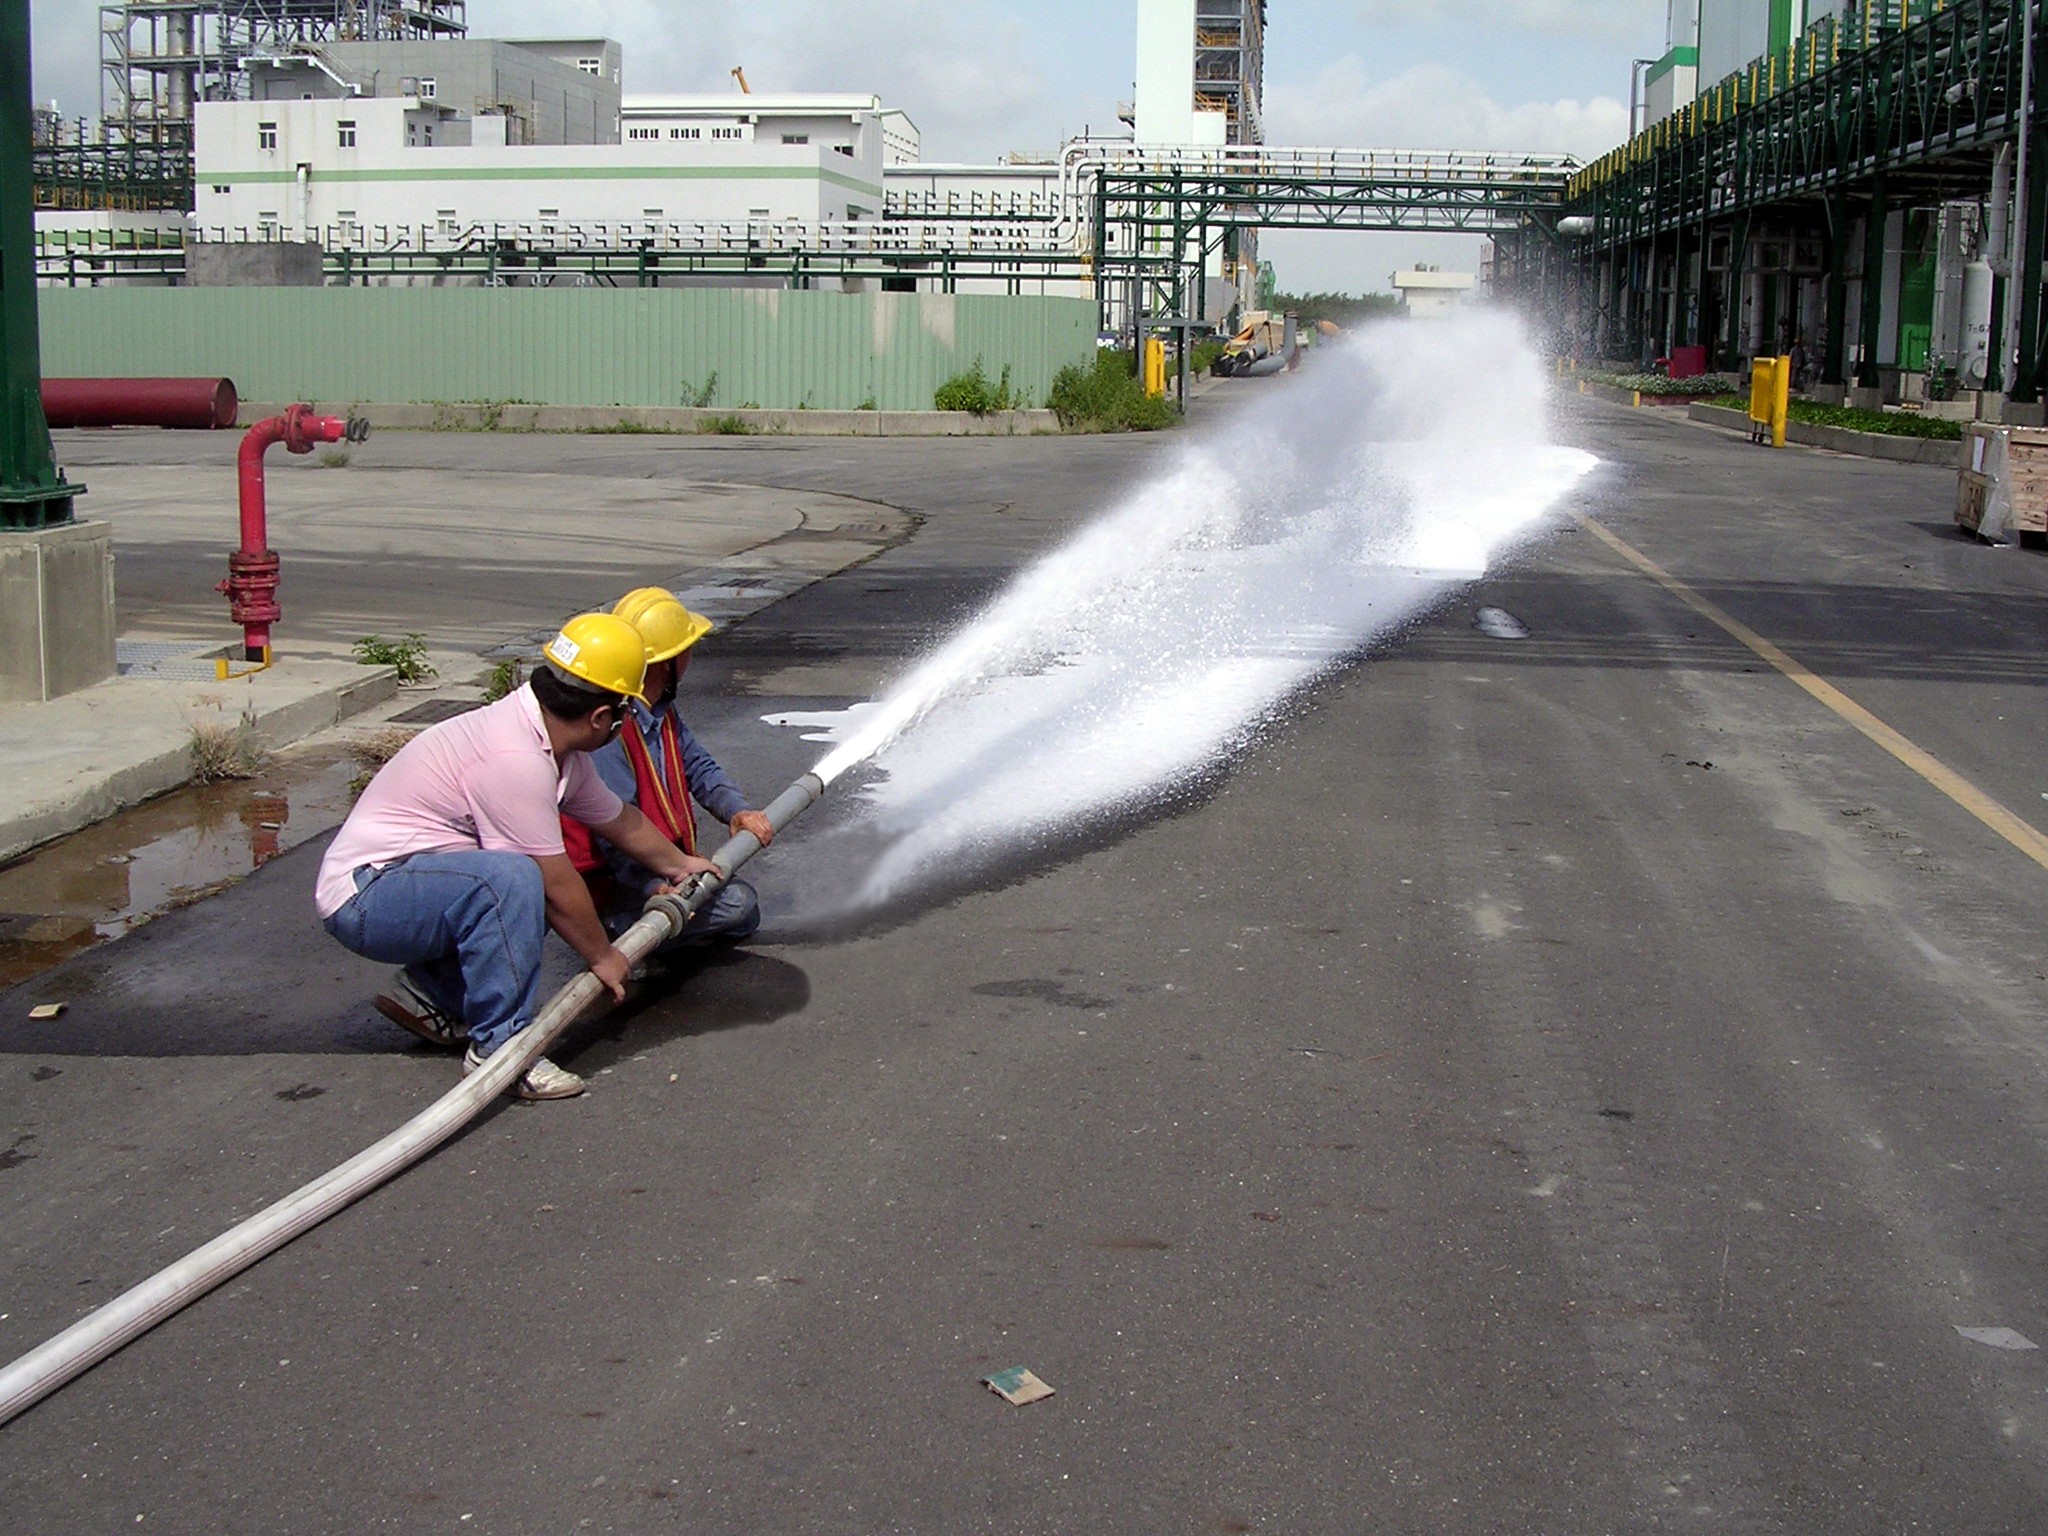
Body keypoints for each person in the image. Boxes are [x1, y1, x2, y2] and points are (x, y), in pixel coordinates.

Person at [316, 612, 719, 1100]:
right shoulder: (516, 759)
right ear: (598, 718)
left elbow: (620, 820)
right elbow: (554, 882)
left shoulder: (556, 748)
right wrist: (605, 956)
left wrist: (680, 865)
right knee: (514, 880)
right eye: (624, 713)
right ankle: (502, 1048)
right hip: (368, 897)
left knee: (515, 885)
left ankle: (434, 993)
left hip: (407, 882)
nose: (625, 722)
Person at [563, 587, 774, 956]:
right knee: (739, 905)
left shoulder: (659, 711)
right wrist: (653, 888)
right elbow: (613, 832)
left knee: (742, 907)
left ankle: (651, 934)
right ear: (666, 663)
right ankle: (623, 936)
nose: (691, 655)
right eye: (686, 648)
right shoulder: (610, 731)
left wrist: (736, 810)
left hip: (658, 870)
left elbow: (699, 766)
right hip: (616, 890)